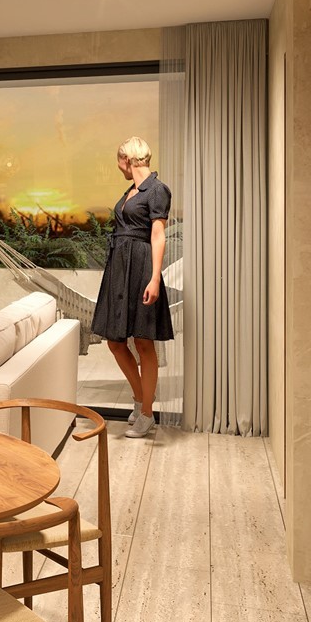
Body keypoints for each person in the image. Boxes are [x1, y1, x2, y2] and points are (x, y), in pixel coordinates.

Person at [90, 136, 173, 437]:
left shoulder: (157, 190)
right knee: (115, 341)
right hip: (119, 269)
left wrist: (154, 277)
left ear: (127, 159)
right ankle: (142, 399)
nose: (118, 167)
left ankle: (147, 413)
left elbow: (158, 235)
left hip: (141, 269)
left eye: (119, 161)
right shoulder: (131, 191)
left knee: (143, 342)